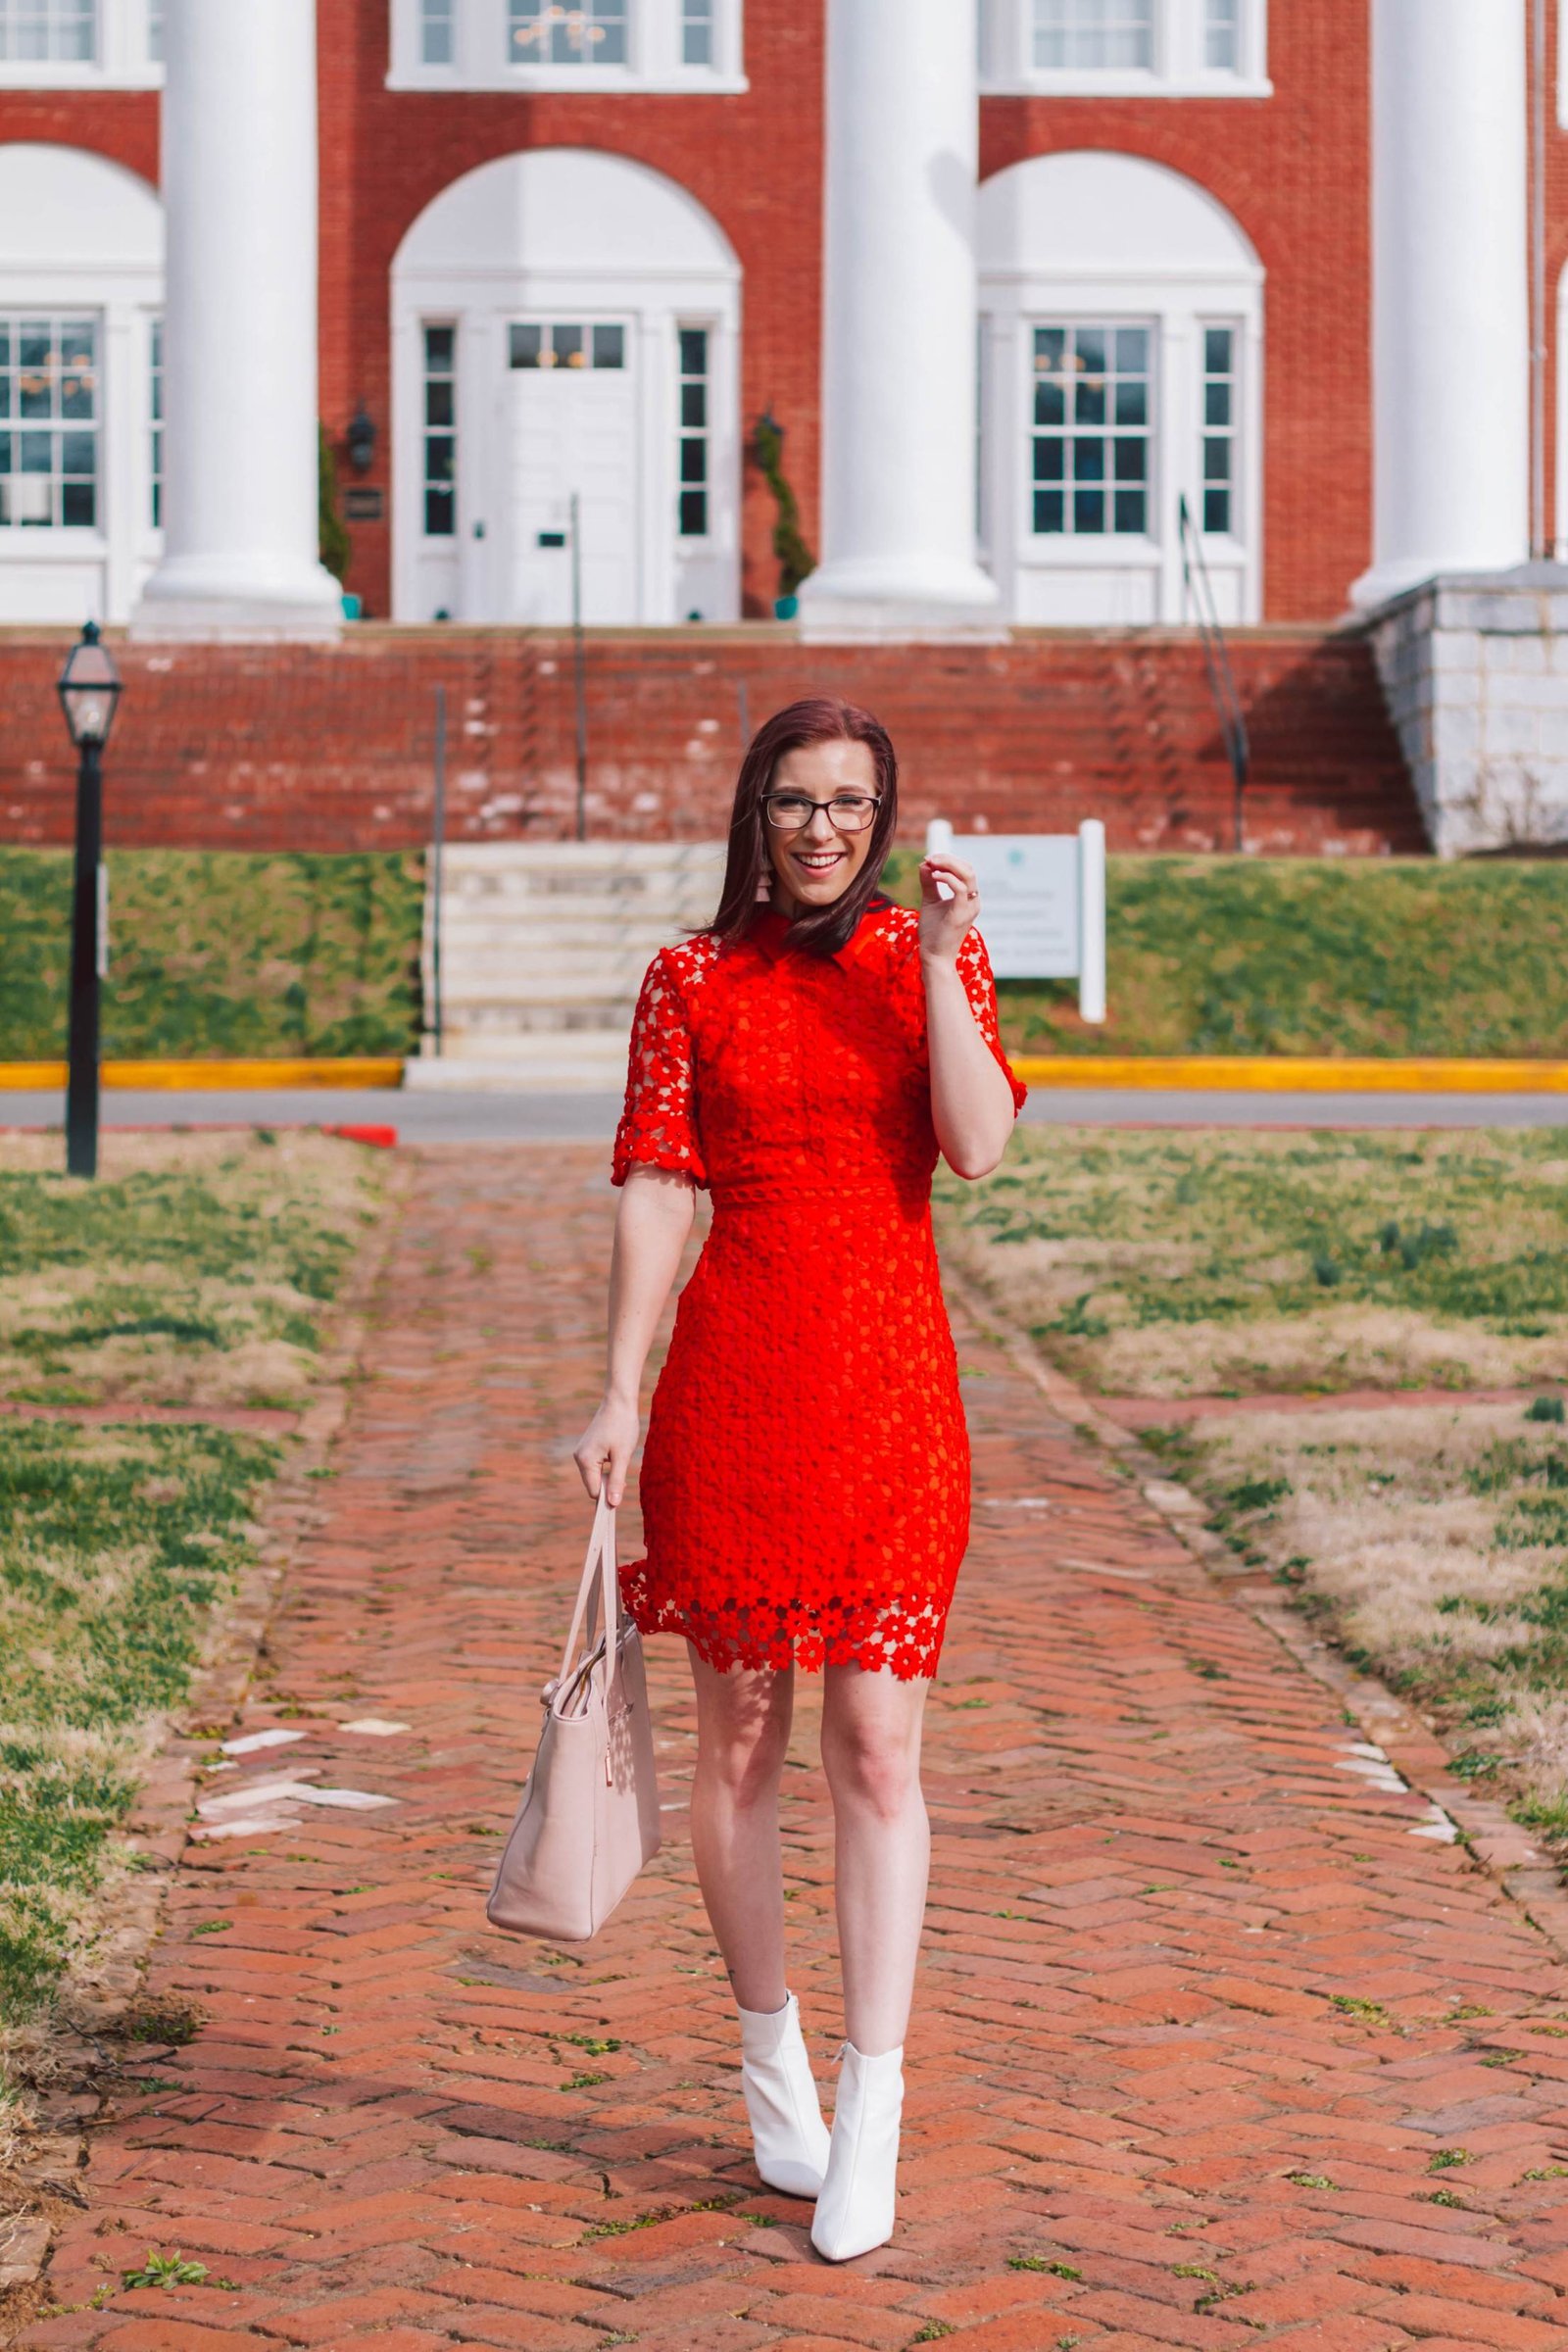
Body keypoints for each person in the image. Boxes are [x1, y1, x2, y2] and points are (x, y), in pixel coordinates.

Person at [572, 696, 1025, 2262]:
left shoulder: (927, 957)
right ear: (753, 816)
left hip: (893, 1385)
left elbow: (973, 1148)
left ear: (881, 816)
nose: (821, 827)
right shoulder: (690, 977)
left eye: (848, 802)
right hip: (738, 1383)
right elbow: (652, 1184)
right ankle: (772, 2063)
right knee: (743, 1743)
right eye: (792, 801)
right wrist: (618, 1389)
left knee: (879, 1748)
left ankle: (874, 2101)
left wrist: (953, 956)